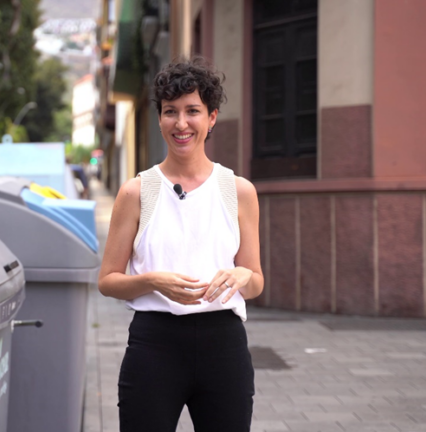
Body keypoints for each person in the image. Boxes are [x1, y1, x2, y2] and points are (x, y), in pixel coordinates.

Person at [97, 57, 264, 432]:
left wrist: (241, 275)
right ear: (160, 119)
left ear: (212, 117)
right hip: (154, 345)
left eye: (193, 111)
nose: (181, 123)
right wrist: (153, 281)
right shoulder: (137, 191)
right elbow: (108, 280)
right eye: (170, 112)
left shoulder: (239, 191)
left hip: (224, 346)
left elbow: (256, 281)